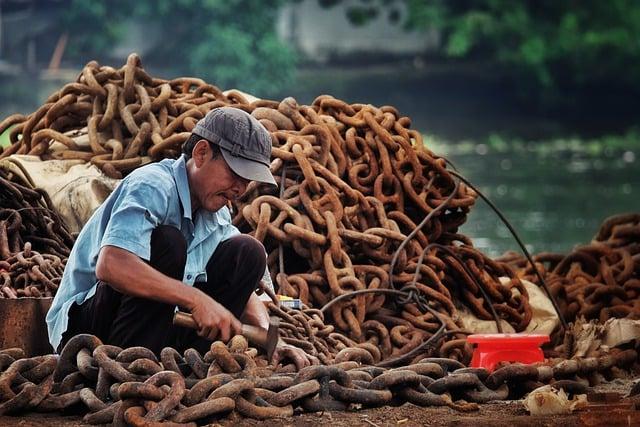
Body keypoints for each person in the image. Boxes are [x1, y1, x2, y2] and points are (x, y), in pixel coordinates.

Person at [46, 106, 312, 368]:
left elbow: (245, 288)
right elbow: (111, 265)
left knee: (248, 252)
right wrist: (196, 300)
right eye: (235, 174)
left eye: (247, 180)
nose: (240, 188)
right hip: (87, 328)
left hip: (155, 325)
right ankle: (129, 368)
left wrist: (269, 336)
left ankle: (186, 367)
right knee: (169, 243)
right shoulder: (153, 186)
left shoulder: (216, 213)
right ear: (201, 153)